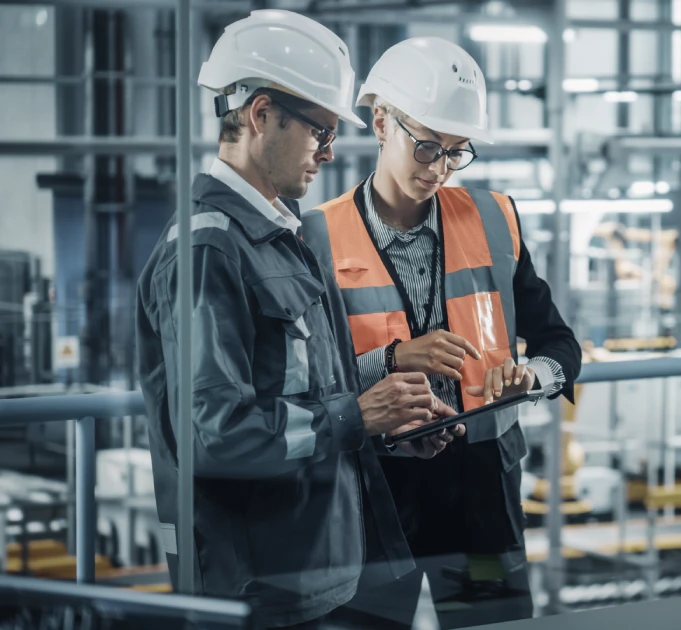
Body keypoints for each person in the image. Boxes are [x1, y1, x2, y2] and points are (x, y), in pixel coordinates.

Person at [136, 11, 462, 629]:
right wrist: (355, 416)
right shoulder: (208, 250)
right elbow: (214, 434)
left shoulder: (280, 238)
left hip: (318, 570)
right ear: (262, 115)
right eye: (320, 131)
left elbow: (304, 389)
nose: (329, 152)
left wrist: (387, 421)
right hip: (260, 588)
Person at [301, 37, 582, 629]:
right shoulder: (316, 238)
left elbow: (560, 344)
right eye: (427, 146)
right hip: (376, 491)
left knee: (493, 621)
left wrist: (532, 378)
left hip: (483, 493)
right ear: (382, 122)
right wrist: (394, 358)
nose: (439, 169)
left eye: (456, 153)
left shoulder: (494, 220)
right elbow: (307, 384)